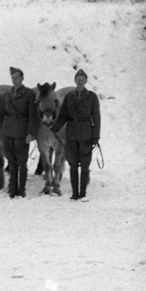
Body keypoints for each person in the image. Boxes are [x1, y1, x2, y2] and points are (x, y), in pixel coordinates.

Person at [51, 68, 101, 201]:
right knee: (73, 164)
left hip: (86, 134)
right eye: (78, 80)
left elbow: (96, 118)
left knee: (85, 164)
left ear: (86, 81)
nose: (80, 82)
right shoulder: (69, 97)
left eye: (82, 80)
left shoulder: (92, 97)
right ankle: (74, 193)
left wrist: (95, 136)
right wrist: (55, 127)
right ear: (75, 81)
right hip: (71, 134)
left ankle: (83, 193)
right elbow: (63, 116)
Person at [0, 66, 39, 199]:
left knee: (22, 161)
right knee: (11, 161)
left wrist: (30, 133)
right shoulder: (7, 93)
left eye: (17, 77)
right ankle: (13, 188)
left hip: (22, 131)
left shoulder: (29, 94)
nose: (14, 80)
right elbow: (1, 112)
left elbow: (32, 115)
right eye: (12, 78)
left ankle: (21, 189)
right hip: (7, 131)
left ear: (22, 78)